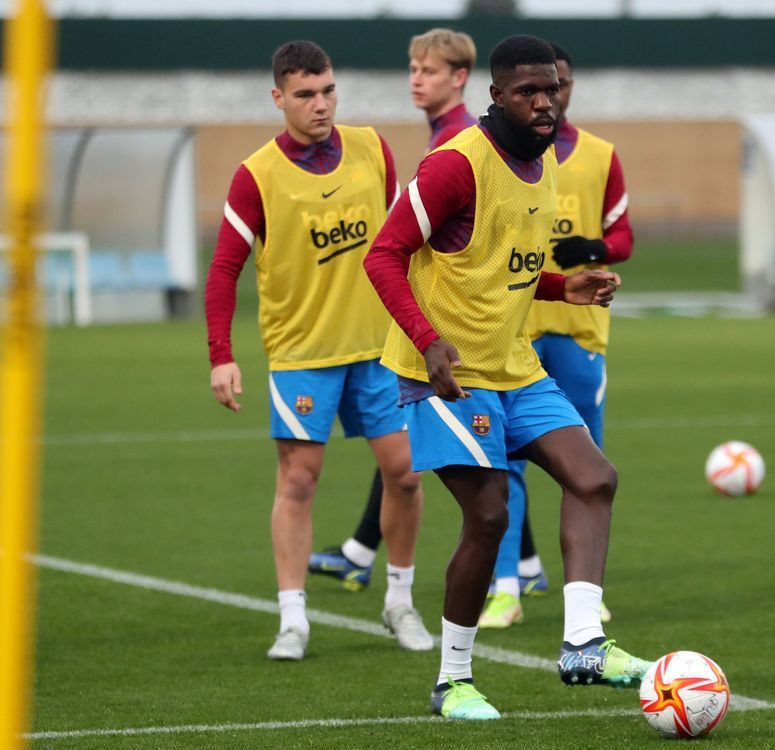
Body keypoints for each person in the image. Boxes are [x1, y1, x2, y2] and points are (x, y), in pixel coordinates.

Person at [364, 34, 651, 720]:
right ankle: (452, 681)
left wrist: (563, 288)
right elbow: (382, 256)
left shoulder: (544, 158)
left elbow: (501, 267)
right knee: (488, 514)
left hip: (513, 365)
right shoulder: (455, 165)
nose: (544, 101)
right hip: (446, 375)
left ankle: (583, 641)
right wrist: (429, 343)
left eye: (551, 88)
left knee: (595, 477)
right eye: (527, 91)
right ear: (495, 97)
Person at [205, 40, 433, 661]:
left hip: (378, 349)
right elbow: (224, 269)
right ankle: (293, 619)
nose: (321, 104)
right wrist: (220, 354)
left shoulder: (372, 149)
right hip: (302, 353)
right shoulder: (256, 174)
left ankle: (399, 601)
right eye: (305, 94)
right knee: (300, 480)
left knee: (407, 474)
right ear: (278, 98)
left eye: (328, 90)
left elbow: (403, 243)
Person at [309, 28, 478, 593]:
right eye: (411, 68)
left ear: (459, 77)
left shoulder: (459, 143)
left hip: (450, 330)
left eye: (428, 70)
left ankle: (504, 581)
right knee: (404, 455)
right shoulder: (445, 139)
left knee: (473, 466)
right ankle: (361, 550)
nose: (416, 78)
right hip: (442, 323)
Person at [479, 42, 633, 629]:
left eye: (560, 85)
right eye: (540, 87)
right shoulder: (502, 156)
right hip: (516, 328)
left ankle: (585, 598)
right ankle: (506, 588)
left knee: (585, 465)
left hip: (577, 329)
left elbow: (624, 239)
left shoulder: (599, 155)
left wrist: (591, 250)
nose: (551, 97)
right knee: (505, 464)